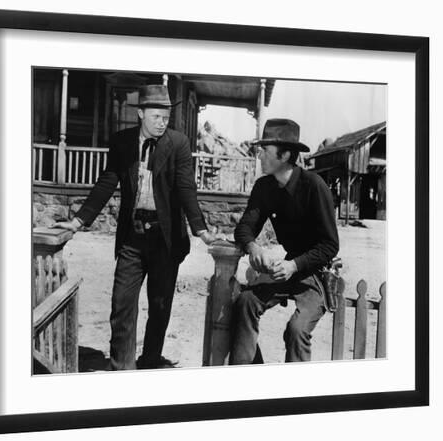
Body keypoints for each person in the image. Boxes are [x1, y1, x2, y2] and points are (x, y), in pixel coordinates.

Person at [53, 84, 215, 370]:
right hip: (133, 236)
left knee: (160, 306)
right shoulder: (122, 142)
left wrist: (200, 229)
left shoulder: (178, 144)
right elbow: (106, 183)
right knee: (122, 305)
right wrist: (79, 220)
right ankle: (121, 368)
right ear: (140, 113)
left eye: (166, 117)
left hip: (166, 239)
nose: (162, 122)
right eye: (156, 116)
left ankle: (150, 362)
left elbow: (186, 189)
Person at [231, 118, 339, 364]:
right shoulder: (264, 187)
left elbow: (330, 246)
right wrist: (252, 246)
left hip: (315, 273)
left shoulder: (314, 186)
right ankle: (243, 378)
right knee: (245, 302)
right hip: (286, 269)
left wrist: (294, 266)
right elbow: (244, 228)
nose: (258, 156)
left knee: (296, 329)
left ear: (285, 154)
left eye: (264, 151)